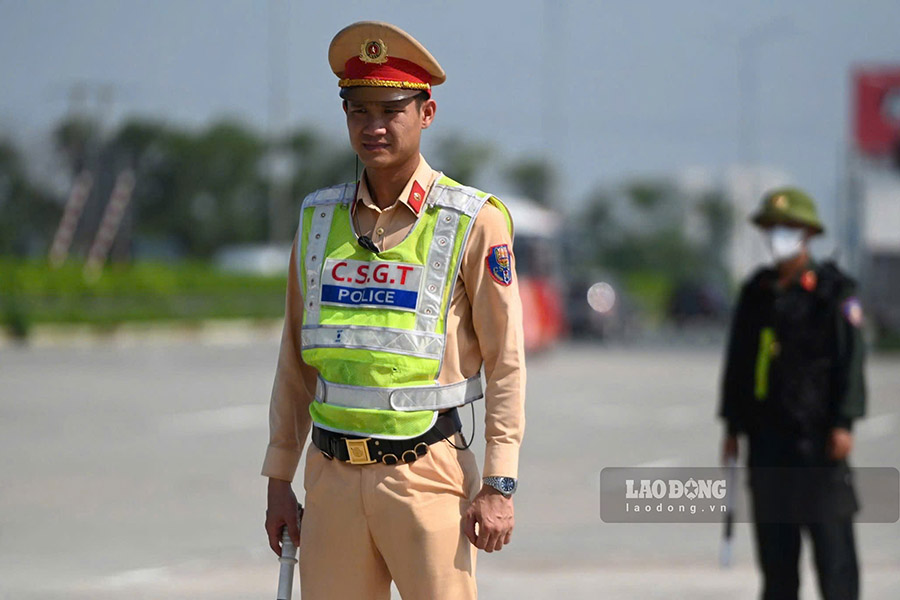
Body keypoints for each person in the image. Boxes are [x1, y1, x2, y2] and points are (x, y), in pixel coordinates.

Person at [262, 21, 525, 600]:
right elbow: (294, 362)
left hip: (427, 475)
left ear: (426, 113)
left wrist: (500, 482)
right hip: (330, 479)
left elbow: (506, 363)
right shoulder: (318, 220)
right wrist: (280, 476)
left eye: (390, 110)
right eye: (358, 110)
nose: (373, 126)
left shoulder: (473, 220)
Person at [719, 187, 866, 600]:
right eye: (772, 228)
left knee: (835, 561)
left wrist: (844, 422)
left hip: (819, 444)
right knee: (777, 564)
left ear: (808, 234)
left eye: (788, 228)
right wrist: (732, 426)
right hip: (768, 443)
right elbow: (738, 363)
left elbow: (851, 359)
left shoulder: (833, 292)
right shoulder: (757, 292)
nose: (778, 236)